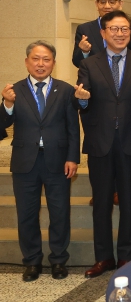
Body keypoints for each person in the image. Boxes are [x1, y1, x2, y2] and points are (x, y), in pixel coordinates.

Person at [74, 10, 131, 278]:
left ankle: (126, 257)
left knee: (129, 201)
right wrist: (81, 99)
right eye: (114, 29)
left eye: (124, 29)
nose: (120, 34)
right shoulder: (89, 64)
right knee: (101, 202)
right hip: (100, 141)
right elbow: (82, 99)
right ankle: (103, 257)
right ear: (103, 33)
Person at [1, 41, 80, 281]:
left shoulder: (65, 90)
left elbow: (72, 128)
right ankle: (32, 261)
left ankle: (58, 260)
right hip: (25, 162)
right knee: (26, 214)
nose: (40, 64)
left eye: (46, 59)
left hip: (58, 160)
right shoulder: (13, 90)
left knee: (60, 212)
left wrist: (73, 158)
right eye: (35, 59)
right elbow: (2, 126)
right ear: (27, 62)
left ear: (53, 63)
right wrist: (7, 104)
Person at [72, 0, 131, 67]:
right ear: (96, 4)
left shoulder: (130, 29)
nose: (107, 6)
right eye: (102, 2)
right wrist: (84, 52)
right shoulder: (85, 29)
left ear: (120, 4)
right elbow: (77, 62)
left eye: (112, 2)